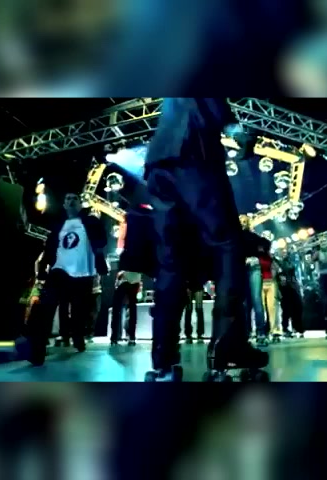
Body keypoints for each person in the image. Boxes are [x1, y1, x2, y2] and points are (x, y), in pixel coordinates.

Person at [142, 98, 268, 380]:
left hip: (158, 164)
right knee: (228, 244)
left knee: (170, 261)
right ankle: (228, 345)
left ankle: (163, 357)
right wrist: (236, 131)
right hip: (194, 155)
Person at [28, 191, 108, 364]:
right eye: (68, 198)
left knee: (79, 313)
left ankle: (78, 338)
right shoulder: (58, 225)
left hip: (82, 274)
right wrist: (43, 268)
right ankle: (37, 351)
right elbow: (49, 247)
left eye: (75, 198)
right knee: (47, 308)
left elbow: (102, 240)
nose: (71, 201)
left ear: (80, 204)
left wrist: (100, 260)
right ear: (64, 204)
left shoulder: (90, 221)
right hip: (59, 271)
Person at [275, 251, 304, 338]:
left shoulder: (290, 261)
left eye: (285, 252)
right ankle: (286, 328)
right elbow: (278, 275)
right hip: (284, 287)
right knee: (286, 308)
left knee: (297, 306)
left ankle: (297, 327)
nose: (284, 254)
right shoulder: (278, 262)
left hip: (293, 285)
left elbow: (294, 273)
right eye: (282, 252)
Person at [111, 270, 142, 345]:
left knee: (117, 309)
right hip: (135, 279)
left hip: (124, 279)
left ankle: (115, 336)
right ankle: (131, 337)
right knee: (132, 309)